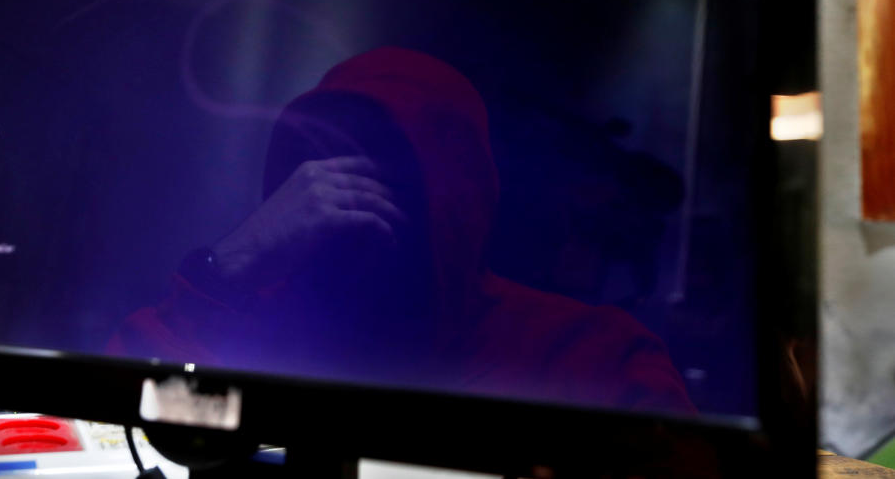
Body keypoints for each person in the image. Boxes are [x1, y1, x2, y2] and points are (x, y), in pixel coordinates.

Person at [109, 47, 694, 413]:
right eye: (305, 182)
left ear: (454, 187)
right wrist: (232, 263)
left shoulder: (589, 353)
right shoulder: (252, 328)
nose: (333, 206)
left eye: (378, 169)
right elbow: (131, 422)